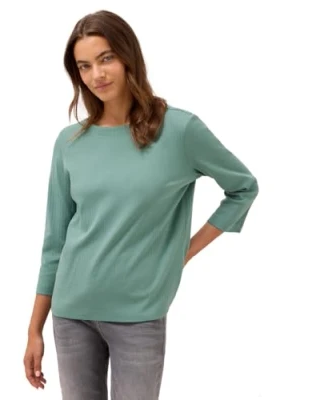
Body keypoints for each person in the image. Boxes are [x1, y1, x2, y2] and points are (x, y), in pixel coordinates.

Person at [23, 9, 259, 400]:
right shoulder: (69, 143)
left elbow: (243, 188)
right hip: (71, 312)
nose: (96, 75)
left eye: (106, 58)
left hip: (139, 314)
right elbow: (55, 243)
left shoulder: (180, 131)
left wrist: (183, 253)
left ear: (128, 56)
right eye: (84, 66)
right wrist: (34, 329)